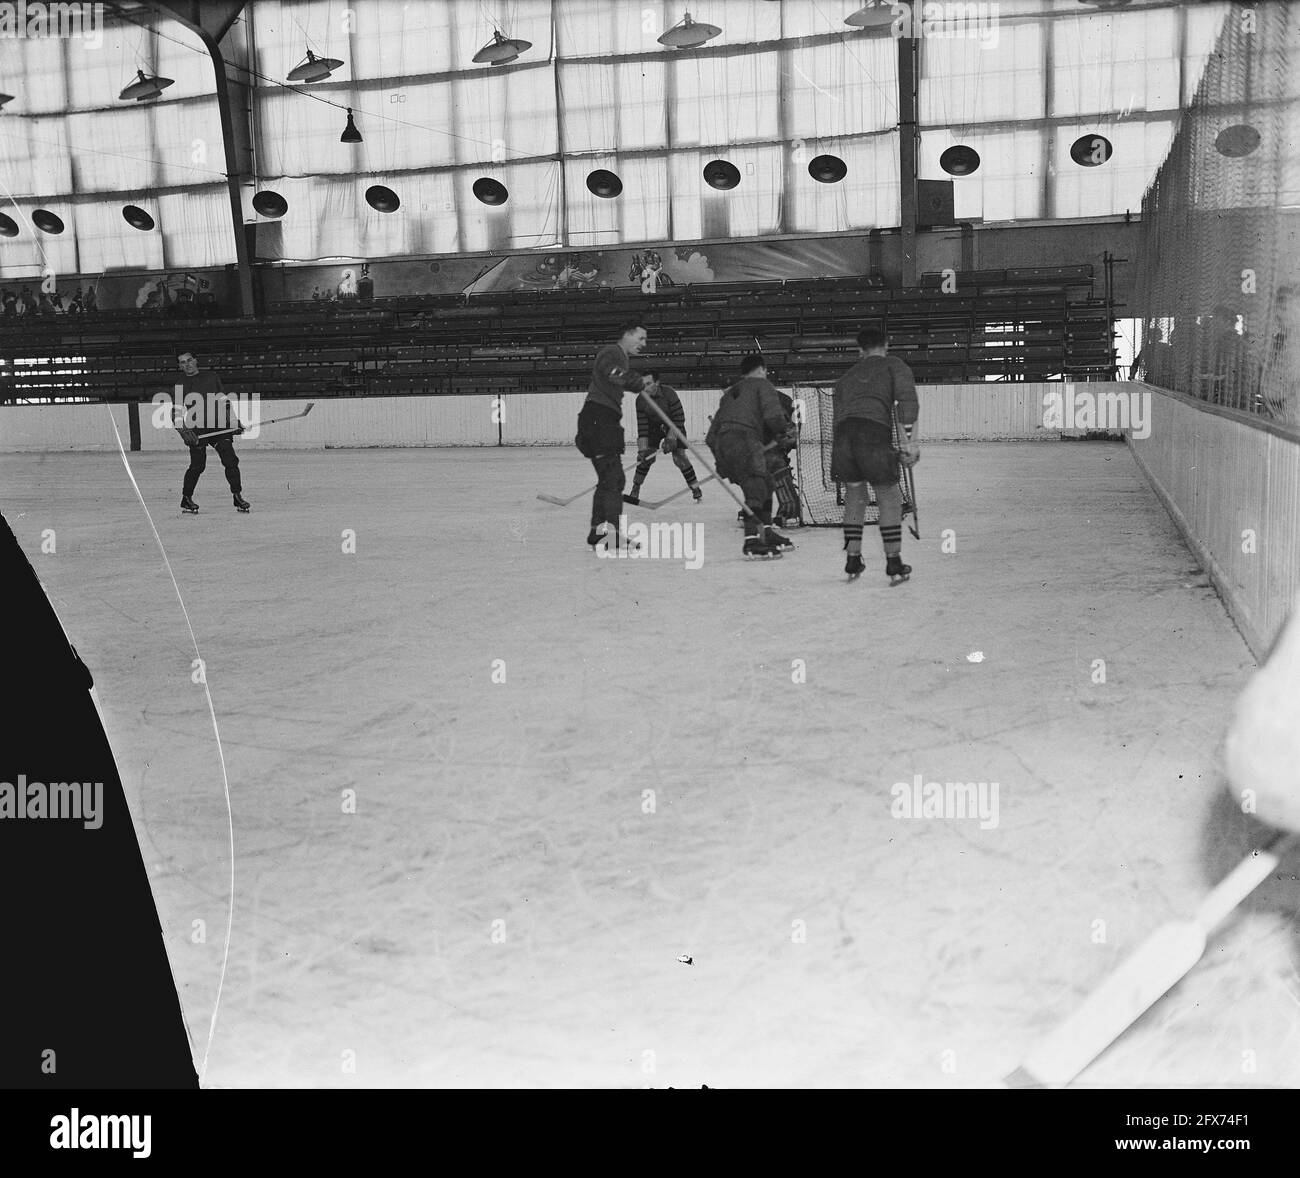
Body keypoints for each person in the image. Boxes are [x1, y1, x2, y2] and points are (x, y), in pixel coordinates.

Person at [831, 327, 919, 582]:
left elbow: (838, 417)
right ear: (886, 344)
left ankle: (852, 559)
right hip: (872, 434)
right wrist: (909, 445)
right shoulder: (894, 365)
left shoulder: (847, 377)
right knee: (889, 497)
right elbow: (907, 403)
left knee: (855, 497)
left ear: (860, 350)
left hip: (843, 438)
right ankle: (893, 562)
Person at [705, 355, 795, 560]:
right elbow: (774, 417)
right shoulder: (763, 385)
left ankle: (767, 531)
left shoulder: (729, 395)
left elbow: (711, 437)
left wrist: (722, 460)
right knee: (756, 487)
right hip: (745, 440)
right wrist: (782, 432)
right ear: (763, 369)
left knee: (766, 482)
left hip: (724, 445)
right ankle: (752, 541)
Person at [575, 322, 650, 549]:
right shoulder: (612, 352)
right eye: (641, 338)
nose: (643, 344)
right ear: (627, 334)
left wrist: (631, 380)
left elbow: (617, 377)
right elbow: (612, 372)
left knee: (608, 480)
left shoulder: (621, 357)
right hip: (599, 421)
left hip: (600, 421)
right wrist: (632, 381)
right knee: (614, 479)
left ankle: (597, 531)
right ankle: (611, 533)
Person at [174, 351, 250, 514]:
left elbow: (224, 401)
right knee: (197, 465)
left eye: (189, 360)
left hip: (219, 426)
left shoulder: (211, 377)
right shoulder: (180, 384)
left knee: (230, 461)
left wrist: (233, 421)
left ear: (195, 361)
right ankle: (186, 499)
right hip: (197, 429)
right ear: (180, 366)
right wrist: (183, 431)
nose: (186, 364)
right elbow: (177, 411)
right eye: (182, 362)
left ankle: (237, 496)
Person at [625, 370, 701, 506]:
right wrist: (642, 449)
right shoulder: (641, 400)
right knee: (645, 459)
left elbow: (679, 418)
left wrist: (671, 438)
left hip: (673, 425)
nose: (645, 388)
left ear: (657, 383)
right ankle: (636, 487)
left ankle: (695, 487)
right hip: (653, 428)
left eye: (648, 384)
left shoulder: (669, 393)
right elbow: (643, 427)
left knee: (680, 458)